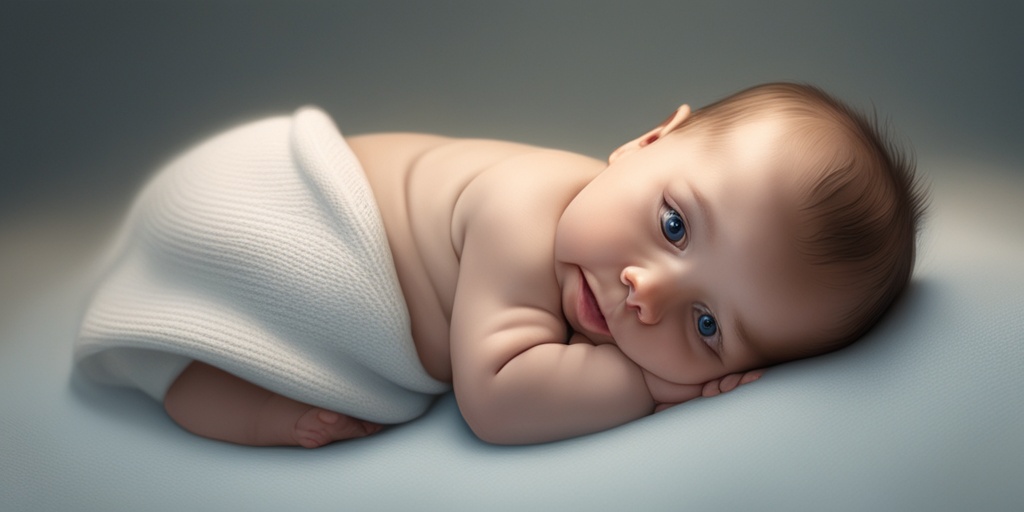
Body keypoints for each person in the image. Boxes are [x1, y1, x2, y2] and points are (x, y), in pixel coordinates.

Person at [83, 82, 927, 447]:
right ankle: (197, 371)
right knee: (214, 335)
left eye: (708, 326)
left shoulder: (596, 266)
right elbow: (493, 394)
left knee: (224, 387)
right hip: (271, 211)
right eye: (673, 223)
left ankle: (215, 393)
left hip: (266, 208)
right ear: (646, 141)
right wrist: (655, 388)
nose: (648, 296)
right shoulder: (527, 202)